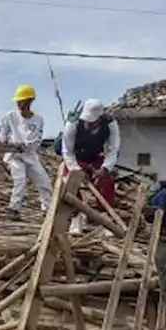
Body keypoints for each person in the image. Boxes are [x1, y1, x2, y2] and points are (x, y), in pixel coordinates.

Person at [60, 99, 120, 234]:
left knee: (107, 180)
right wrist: (77, 171)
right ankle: (76, 216)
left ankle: (104, 217)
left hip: (96, 158)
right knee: (69, 182)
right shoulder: (72, 124)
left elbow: (113, 149)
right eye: (86, 121)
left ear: (100, 119)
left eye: (92, 122)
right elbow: (67, 152)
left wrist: (104, 168)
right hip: (77, 158)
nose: (88, 124)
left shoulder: (110, 124)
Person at [0, 84, 51, 220]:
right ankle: (13, 208)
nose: (19, 104)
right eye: (18, 101)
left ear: (30, 101)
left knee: (44, 181)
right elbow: (3, 133)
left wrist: (24, 146)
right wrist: (1, 142)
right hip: (14, 156)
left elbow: (36, 141)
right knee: (19, 180)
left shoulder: (38, 120)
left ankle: (48, 208)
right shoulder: (10, 116)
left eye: (22, 101)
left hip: (30, 155)